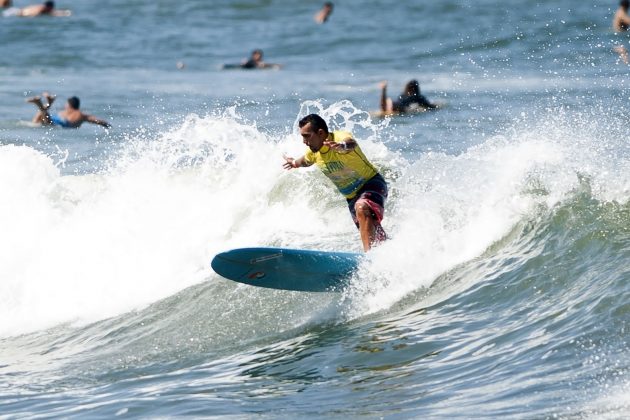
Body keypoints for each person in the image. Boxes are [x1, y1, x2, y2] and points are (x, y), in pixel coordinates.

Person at [283, 114, 388, 252]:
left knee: (362, 207)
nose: (304, 141)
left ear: (320, 133)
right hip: (352, 198)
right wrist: (295, 163)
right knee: (376, 236)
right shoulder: (314, 152)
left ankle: (369, 259)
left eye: (307, 136)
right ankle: (391, 253)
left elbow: (350, 143)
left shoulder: (339, 138)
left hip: (372, 184)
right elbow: (305, 161)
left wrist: (342, 146)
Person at [26, 92, 111, 129]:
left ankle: (48, 102)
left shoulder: (64, 111)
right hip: (64, 124)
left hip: (58, 120)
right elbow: (97, 121)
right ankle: (40, 104)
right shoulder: (82, 115)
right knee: (45, 122)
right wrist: (107, 125)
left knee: (37, 120)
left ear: (69, 104)